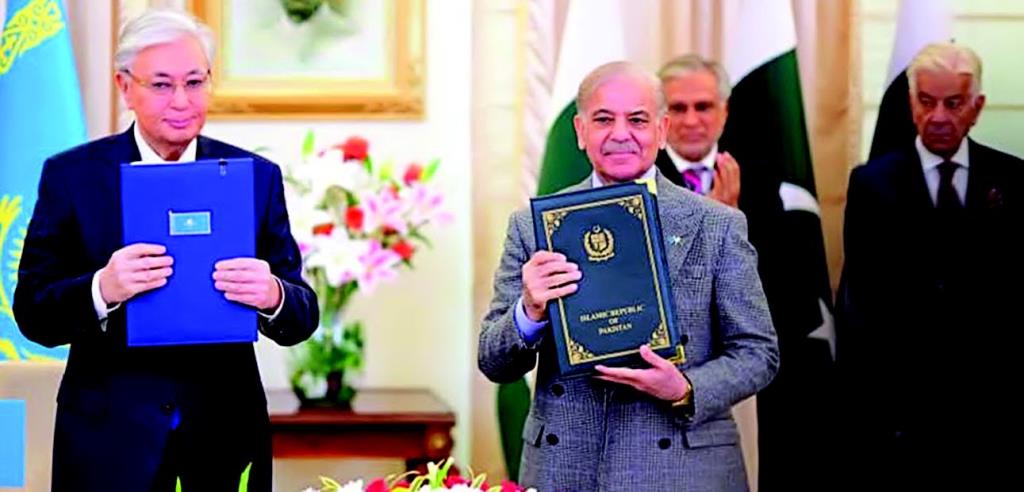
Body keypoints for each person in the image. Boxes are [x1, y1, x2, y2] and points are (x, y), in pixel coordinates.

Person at [13, 9, 318, 491]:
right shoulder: (72, 177)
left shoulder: (255, 177)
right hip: (107, 443)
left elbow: (302, 314)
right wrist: (102, 288)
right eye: (161, 85)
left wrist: (273, 295)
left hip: (223, 440)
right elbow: (32, 313)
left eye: (195, 82)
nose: (181, 100)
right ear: (124, 86)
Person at [478, 61, 779, 491]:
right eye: (604, 119)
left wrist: (686, 387)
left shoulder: (717, 224)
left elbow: (759, 352)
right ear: (581, 131)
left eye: (637, 120)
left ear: (661, 129)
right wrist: (529, 311)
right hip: (567, 469)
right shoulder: (533, 226)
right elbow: (494, 361)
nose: (621, 134)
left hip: (683, 470)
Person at [837, 42, 1023, 487]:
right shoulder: (872, 183)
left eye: (953, 103)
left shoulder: (1014, 181)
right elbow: (859, 304)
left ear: (977, 107)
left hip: (991, 409)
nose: (938, 116)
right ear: (911, 103)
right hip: (902, 415)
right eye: (926, 101)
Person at [654, 54, 836, 490]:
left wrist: (732, 228)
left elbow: (780, 289)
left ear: (724, 111)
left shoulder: (766, 179)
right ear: (661, 116)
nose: (691, 120)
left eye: (703, 106)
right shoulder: (639, 183)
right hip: (669, 380)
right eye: (678, 108)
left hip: (750, 378)